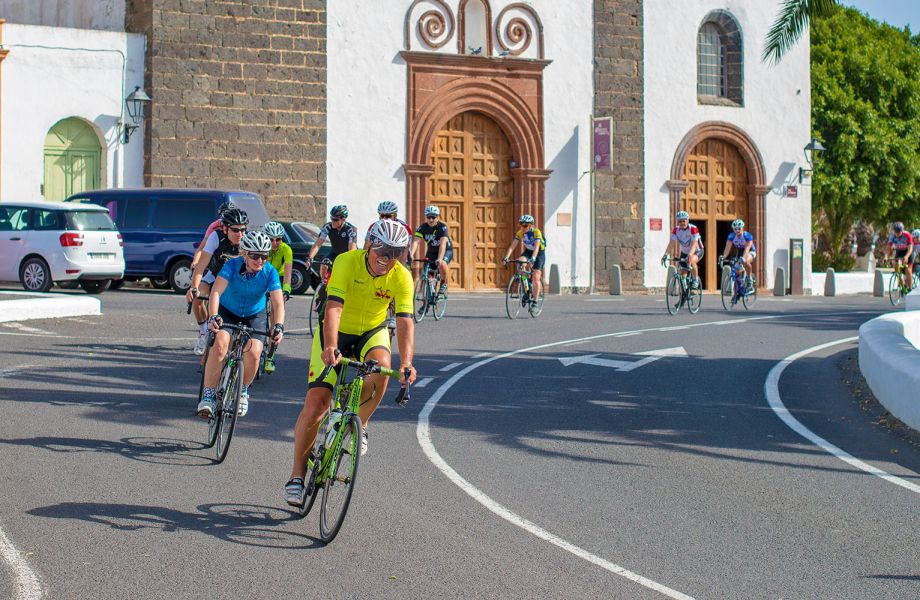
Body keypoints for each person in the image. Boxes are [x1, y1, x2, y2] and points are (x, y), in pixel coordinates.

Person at [284, 219, 417, 506]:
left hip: (371, 330)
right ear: (370, 244)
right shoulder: (346, 261)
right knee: (317, 403)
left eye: (396, 253)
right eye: (383, 250)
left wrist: (406, 362)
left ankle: (361, 423)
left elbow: (405, 320)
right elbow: (333, 307)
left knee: (382, 366)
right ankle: (297, 475)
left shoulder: (402, 276)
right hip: (337, 330)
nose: (388, 259)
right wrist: (331, 346)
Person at [196, 230, 285, 419]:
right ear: (244, 253)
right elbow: (216, 293)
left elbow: (277, 303)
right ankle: (208, 395)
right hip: (228, 311)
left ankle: (243, 390)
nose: (260, 260)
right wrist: (213, 316)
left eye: (264, 256)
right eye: (255, 256)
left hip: (254, 313)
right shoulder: (231, 265)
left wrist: (278, 325)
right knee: (220, 345)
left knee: (254, 351)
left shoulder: (270, 272)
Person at [186, 208, 248, 355]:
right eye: (235, 230)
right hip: (215, 274)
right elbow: (201, 266)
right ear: (225, 229)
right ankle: (203, 332)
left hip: (236, 280)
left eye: (243, 230)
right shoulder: (216, 236)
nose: (240, 234)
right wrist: (193, 287)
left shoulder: (248, 240)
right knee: (198, 295)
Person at [502, 214, 546, 307]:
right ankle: (526, 290)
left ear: (531, 225)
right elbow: (512, 246)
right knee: (520, 263)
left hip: (539, 254)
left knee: (536, 276)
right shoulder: (520, 233)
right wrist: (506, 257)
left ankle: (535, 301)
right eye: (521, 224)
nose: (522, 227)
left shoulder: (536, 232)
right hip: (528, 252)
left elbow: (537, 247)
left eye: (525, 225)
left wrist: (533, 259)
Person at [305, 204, 358, 282]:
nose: (333, 221)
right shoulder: (328, 227)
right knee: (324, 264)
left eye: (335, 219)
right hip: (335, 252)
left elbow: (352, 251)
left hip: (347, 255)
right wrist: (310, 258)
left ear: (343, 219)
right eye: (331, 218)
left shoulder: (351, 229)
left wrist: (344, 262)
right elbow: (317, 245)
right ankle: (324, 284)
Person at [412, 205, 452, 294]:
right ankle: (425, 303)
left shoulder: (442, 227)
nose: (431, 220)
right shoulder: (423, 227)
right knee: (426, 273)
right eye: (429, 217)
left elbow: (442, 245)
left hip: (445, 250)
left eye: (433, 217)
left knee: (442, 264)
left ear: (437, 217)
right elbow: (416, 242)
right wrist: (411, 255)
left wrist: (440, 258)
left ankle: (443, 282)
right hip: (432, 251)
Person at [661, 210, 703, 288]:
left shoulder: (693, 228)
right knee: (683, 273)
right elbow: (671, 243)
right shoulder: (676, 230)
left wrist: (690, 254)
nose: (682, 223)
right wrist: (665, 254)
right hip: (684, 252)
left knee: (692, 261)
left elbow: (694, 244)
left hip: (697, 250)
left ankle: (695, 280)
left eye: (684, 221)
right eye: (680, 221)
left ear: (687, 220)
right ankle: (684, 294)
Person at [719, 219, 756, 288]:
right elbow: (727, 249)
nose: (737, 230)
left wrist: (743, 259)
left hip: (750, 251)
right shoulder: (731, 236)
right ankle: (737, 293)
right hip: (740, 252)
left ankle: (749, 279)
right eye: (735, 229)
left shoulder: (747, 235)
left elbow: (747, 248)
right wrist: (723, 257)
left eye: (739, 228)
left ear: (742, 228)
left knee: (746, 262)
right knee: (737, 271)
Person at [888, 221, 913, 291]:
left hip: (907, 252)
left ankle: (910, 288)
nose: (897, 234)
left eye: (899, 232)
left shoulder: (907, 235)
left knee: (908, 270)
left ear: (902, 230)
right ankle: (902, 284)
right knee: (896, 268)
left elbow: (910, 248)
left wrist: (906, 256)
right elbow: (888, 248)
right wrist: (887, 257)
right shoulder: (892, 236)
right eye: (896, 232)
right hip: (899, 252)